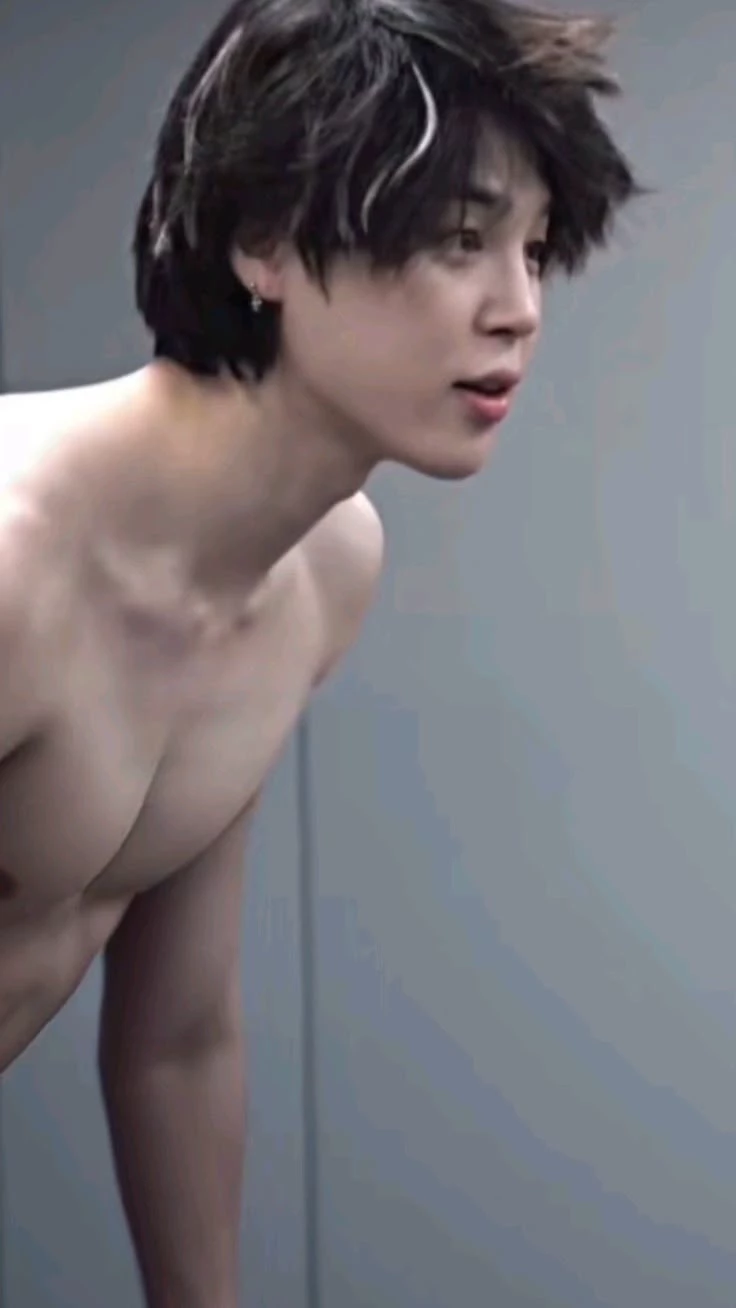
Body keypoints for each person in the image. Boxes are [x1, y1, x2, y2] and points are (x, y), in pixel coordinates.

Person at [0, 0, 643, 1303]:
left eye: (533, 249)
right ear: (267, 240)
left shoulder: (316, 573)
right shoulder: (16, 565)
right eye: (459, 239)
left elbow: (177, 1040)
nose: (518, 308)